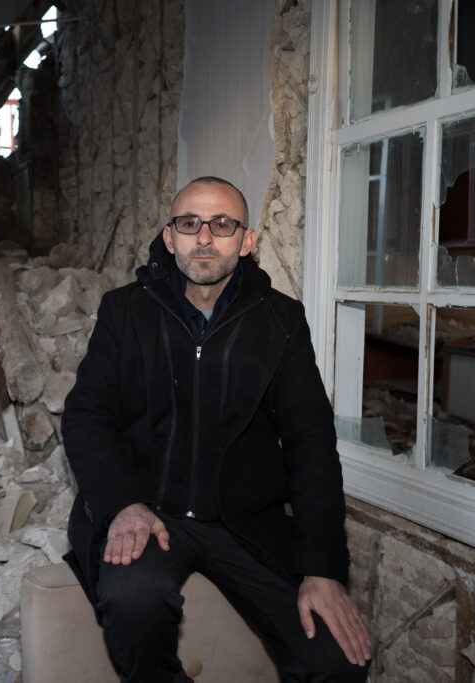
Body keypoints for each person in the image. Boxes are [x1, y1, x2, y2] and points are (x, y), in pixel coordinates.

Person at [61, 176, 371, 682]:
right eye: (190, 224)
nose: (204, 237)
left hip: (245, 521)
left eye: (222, 224)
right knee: (133, 600)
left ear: (247, 240)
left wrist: (323, 569)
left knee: (337, 659)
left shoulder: (281, 320)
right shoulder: (125, 310)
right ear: (170, 237)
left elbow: (310, 445)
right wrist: (122, 504)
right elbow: (86, 416)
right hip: (151, 509)